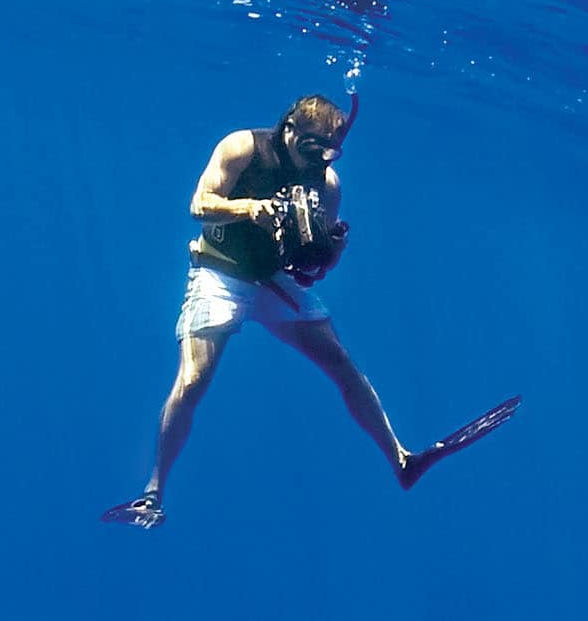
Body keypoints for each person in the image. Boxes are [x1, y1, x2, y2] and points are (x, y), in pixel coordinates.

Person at [103, 93, 519, 527]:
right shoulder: (242, 148)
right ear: (289, 130)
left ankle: (401, 459)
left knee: (341, 363)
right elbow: (199, 205)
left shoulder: (329, 184)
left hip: (274, 281)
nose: (320, 158)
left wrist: (330, 253)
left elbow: (308, 274)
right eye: (311, 147)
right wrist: (250, 209)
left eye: (330, 151)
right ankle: (151, 493)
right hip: (219, 274)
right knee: (192, 380)